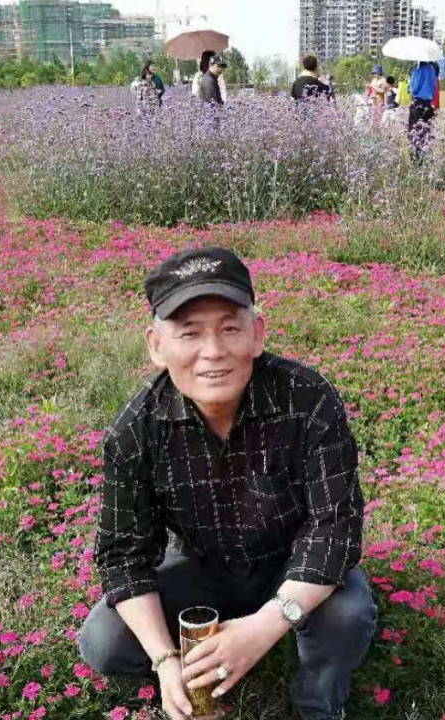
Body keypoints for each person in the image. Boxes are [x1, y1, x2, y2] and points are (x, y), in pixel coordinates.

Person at [77, 247, 376, 720]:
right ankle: (195, 677)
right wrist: (165, 659)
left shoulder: (307, 399)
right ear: (156, 345)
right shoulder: (136, 430)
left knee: (346, 615)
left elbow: (335, 529)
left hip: (292, 563)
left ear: (257, 334)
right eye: (189, 333)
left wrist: (266, 625)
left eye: (230, 328)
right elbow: (123, 557)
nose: (213, 351)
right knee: (104, 639)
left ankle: (318, 702)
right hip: (203, 568)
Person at [408, 61, 437, 162]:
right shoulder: (432, 71)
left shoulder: (418, 71)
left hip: (418, 104)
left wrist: (409, 85)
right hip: (428, 104)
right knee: (425, 133)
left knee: (414, 132)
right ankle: (424, 158)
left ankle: (416, 160)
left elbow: (414, 89)